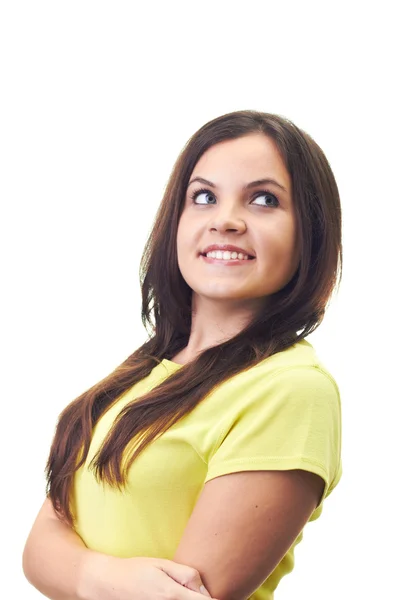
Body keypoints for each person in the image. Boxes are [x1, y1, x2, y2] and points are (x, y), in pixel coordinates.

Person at [22, 109, 343, 600]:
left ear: (310, 233)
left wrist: (80, 571)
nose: (226, 220)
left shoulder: (291, 389)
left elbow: (185, 594)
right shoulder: (143, 372)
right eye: (204, 197)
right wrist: (110, 579)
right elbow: (37, 548)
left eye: (263, 199)